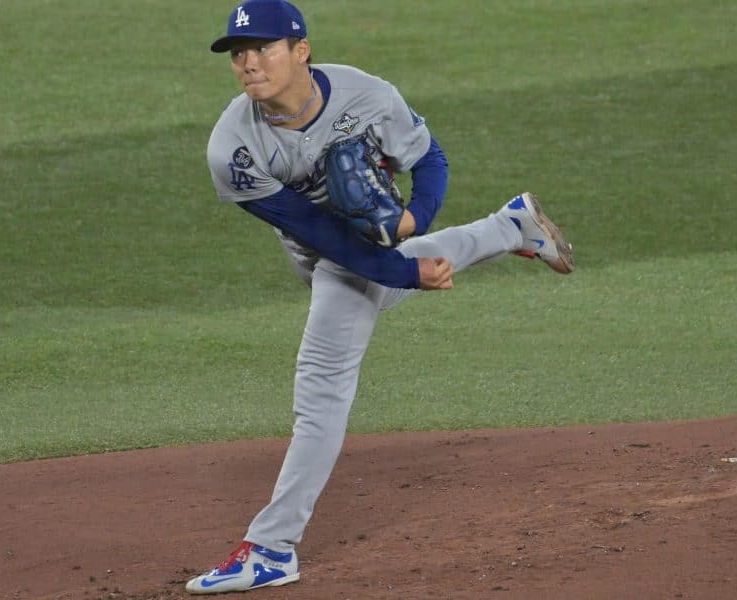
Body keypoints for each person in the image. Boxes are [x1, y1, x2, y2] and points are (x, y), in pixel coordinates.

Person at [186, 0, 574, 594]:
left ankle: (272, 547)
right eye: (238, 53)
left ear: (301, 51)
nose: (248, 63)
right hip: (325, 257)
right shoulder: (233, 151)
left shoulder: (365, 95)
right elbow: (319, 236)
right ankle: (512, 226)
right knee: (369, 285)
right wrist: (402, 271)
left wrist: (411, 223)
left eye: (263, 48)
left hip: (351, 265)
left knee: (321, 386)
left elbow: (430, 160)